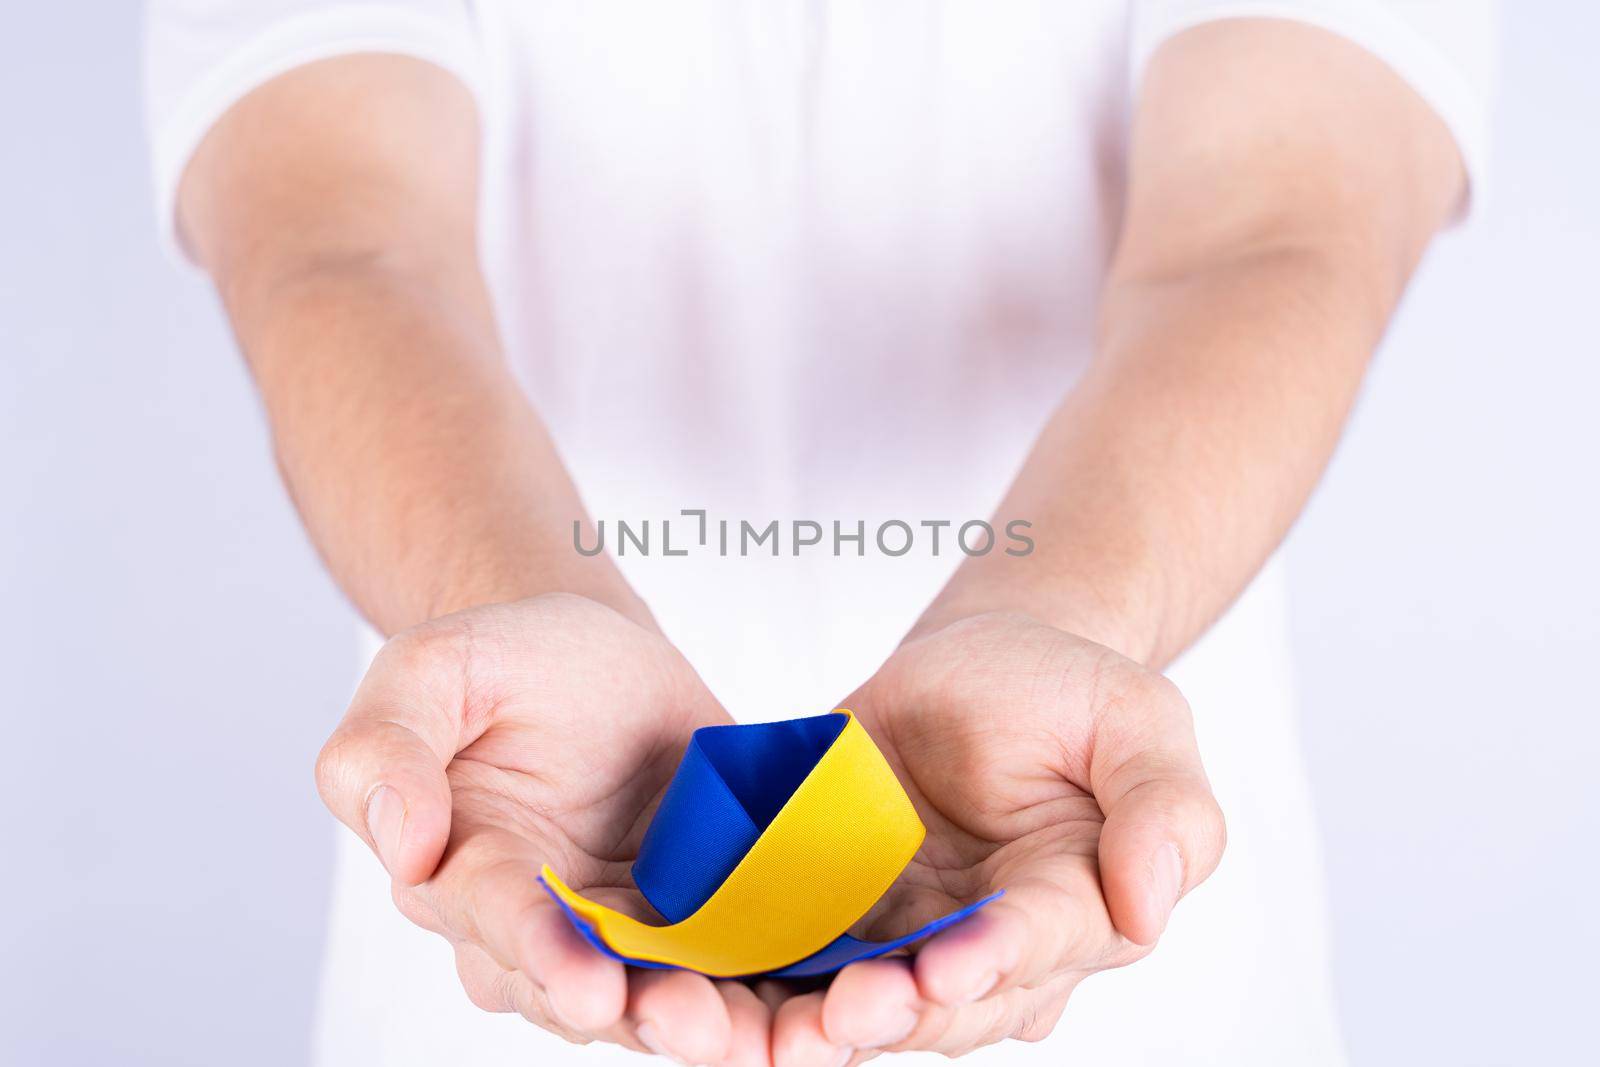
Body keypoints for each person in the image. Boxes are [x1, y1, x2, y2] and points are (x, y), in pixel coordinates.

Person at [144, 2, 1493, 1064]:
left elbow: (1270, 232)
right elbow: (345, 246)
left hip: (1109, 910)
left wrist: (1050, 619)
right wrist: (517, 605)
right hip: (511, 886)